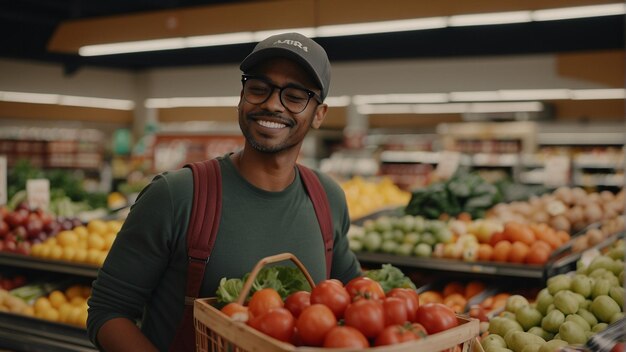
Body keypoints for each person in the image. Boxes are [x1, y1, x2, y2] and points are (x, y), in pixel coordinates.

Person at [87, 32, 362, 351]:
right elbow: (108, 312)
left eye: (296, 95)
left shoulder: (326, 198)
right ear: (242, 97)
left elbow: (356, 299)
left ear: (319, 114)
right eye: (259, 88)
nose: (272, 104)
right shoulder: (177, 196)